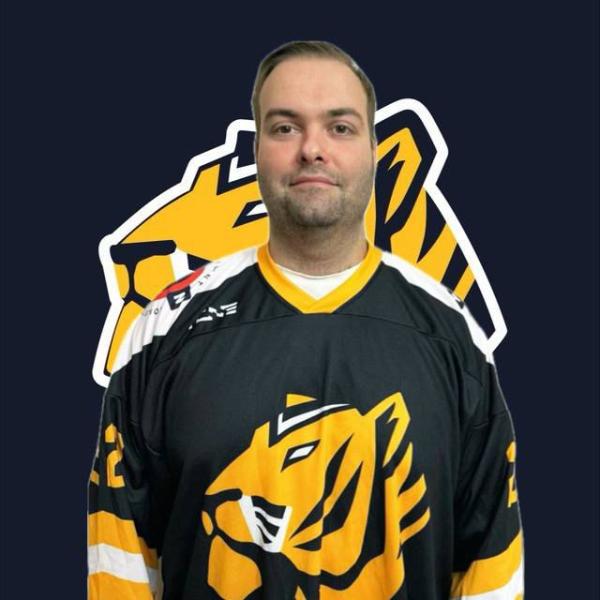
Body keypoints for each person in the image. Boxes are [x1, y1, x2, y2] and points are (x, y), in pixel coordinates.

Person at [88, 41, 525, 599]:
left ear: (372, 150)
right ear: (257, 149)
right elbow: (121, 555)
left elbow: (490, 560)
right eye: (285, 128)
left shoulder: (452, 334)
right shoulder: (164, 330)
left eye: (340, 127)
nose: (312, 150)